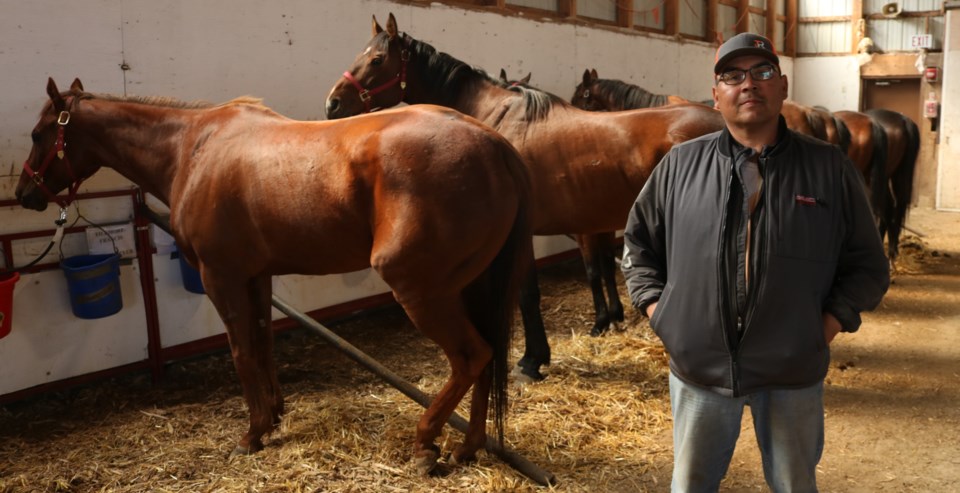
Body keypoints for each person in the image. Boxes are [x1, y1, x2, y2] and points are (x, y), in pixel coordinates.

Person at [620, 32, 890, 492]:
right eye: (733, 75)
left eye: (762, 72)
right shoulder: (680, 166)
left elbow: (868, 265)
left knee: (794, 484)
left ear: (782, 86)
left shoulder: (829, 168)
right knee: (691, 485)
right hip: (699, 369)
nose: (749, 84)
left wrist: (822, 327)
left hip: (791, 371)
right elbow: (637, 246)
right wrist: (663, 315)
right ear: (717, 94)